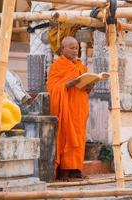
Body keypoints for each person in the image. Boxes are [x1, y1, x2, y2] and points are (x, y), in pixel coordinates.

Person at [47, 36, 92, 181]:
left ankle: (76, 169)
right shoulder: (57, 66)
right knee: (66, 136)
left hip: (79, 109)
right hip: (65, 108)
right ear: (63, 49)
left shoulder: (80, 66)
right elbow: (52, 88)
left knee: (79, 138)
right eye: (71, 48)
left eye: (76, 48)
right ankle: (64, 171)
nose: (75, 51)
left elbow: (85, 87)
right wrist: (69, 83)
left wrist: (90, 84)